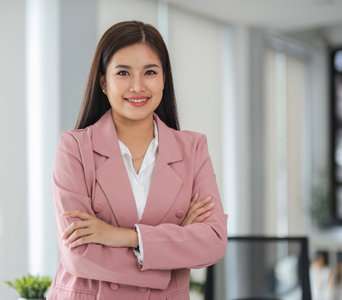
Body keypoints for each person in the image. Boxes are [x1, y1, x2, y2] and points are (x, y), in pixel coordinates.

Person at [47, 20, 228, 300]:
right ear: (103, 82)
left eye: (150, 72)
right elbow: (78, 255)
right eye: (123, 73)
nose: (137, 86)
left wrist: (124, 237)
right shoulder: (74, 148)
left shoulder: (193, 149)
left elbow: (213, 242)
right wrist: (170, 254)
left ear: (164, 79)